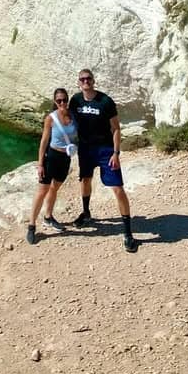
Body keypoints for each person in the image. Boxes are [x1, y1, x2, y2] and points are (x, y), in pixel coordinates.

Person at [69, 68, 138, 252]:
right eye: (82, 79)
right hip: (85, 149)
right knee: (85, 179)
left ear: (93, 80)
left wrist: (116, 152)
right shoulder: (75, 100)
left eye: (88, 79)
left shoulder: (105, 101)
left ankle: (128, 233)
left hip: (105, 150)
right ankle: (86, 213)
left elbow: (115, 128)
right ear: (79, 82)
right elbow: (67, 119)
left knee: (117, 188)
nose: (86, 82)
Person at [25, 87, 78, 245]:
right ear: (55, 102)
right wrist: (40, 163)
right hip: (52, 157)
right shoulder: (51, 118)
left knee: (55, 188)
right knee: (42, 191)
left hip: (65, 158)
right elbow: (44, 141)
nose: (62, 103)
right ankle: (31, 225)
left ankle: (48, 216)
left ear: (67, 100)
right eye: (59, 100)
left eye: (64, 100)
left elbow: (78, 135)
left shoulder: (73, 117)